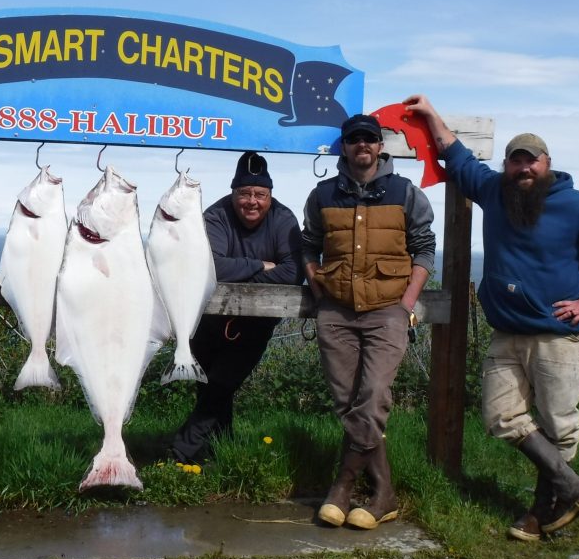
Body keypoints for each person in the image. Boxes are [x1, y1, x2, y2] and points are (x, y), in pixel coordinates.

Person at [405, 94, 579, 541]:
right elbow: (454, 153)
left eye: (532, 162)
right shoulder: (495, 191)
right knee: (500, 416)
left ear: (547, 163)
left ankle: (541, 512)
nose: (524, 169)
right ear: (508, 166)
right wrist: (431, 115)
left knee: (558, 427)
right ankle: (571, 487)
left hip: (560, 336)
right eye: (516, 162)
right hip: (507, 332)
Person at [302, 114, 436, 530]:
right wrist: (318, 285)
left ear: (381, 146)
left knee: (373, 396)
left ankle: (342, 486)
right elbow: (308, 245)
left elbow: (425, 248)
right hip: (336, 313)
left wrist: (407, 304)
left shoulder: (406, 193)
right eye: (354, 139)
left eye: (370, 139)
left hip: (387, 311)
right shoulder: (321, 195)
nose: (362, 145)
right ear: (344, 147)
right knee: (348, 402)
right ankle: (384, 495)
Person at [169, 151, 303, 464]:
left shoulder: (284, 219)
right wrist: (261, 265)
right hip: (209, 320)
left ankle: (182, 451)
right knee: (209, 386)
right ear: (234, 193)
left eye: (260, 194)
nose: (252, 201)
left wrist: (240, 271)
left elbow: (293, 273)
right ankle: (218, 451)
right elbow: (208, 267)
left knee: (221, 383)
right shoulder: (215, 216)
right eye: (245, 193)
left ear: (270, 195)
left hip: (257, 323)